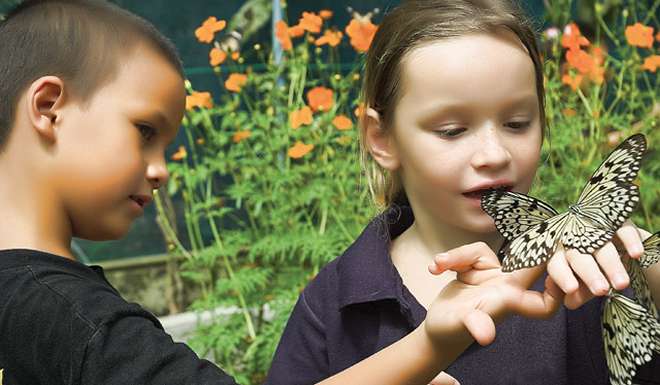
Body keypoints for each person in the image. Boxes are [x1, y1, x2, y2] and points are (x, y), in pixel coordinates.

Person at [0, 1, 565, 384]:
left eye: (519, 122)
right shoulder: (65, 316)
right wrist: (425, 349)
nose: (161, 171)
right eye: (145, 132)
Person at [266, 1, 659, 384]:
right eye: (452, 130)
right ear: (381, 138)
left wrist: (649, 264)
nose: (494, 154)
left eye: (518, 123)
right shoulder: (334, 304)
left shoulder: (584, 279)